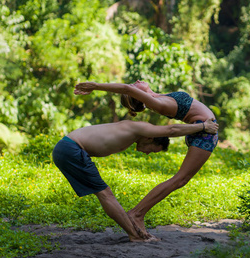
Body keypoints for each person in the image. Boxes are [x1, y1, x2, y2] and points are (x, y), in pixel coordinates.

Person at [74, 80, 219, 237]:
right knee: (180, 180)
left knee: (181, 180)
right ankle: (137, 214)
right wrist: (96, 86)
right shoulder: (156, 103)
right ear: (138, 97)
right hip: (204, 132)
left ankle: (137, 213)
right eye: (134, 87)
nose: (136, 82)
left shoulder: (157, 97)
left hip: (203, 130)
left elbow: (128, 89)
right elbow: (125, 88)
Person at [53, 119, 218, 242]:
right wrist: (203, 127)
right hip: (71, 149)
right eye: (152, 150)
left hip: (69, 148)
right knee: (105, 194)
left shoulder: (134, 131)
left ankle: (135, 233)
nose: (147, 154)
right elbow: (172, 129)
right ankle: (136, 235)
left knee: (104, 193)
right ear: (151, 138)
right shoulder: (141, 128)